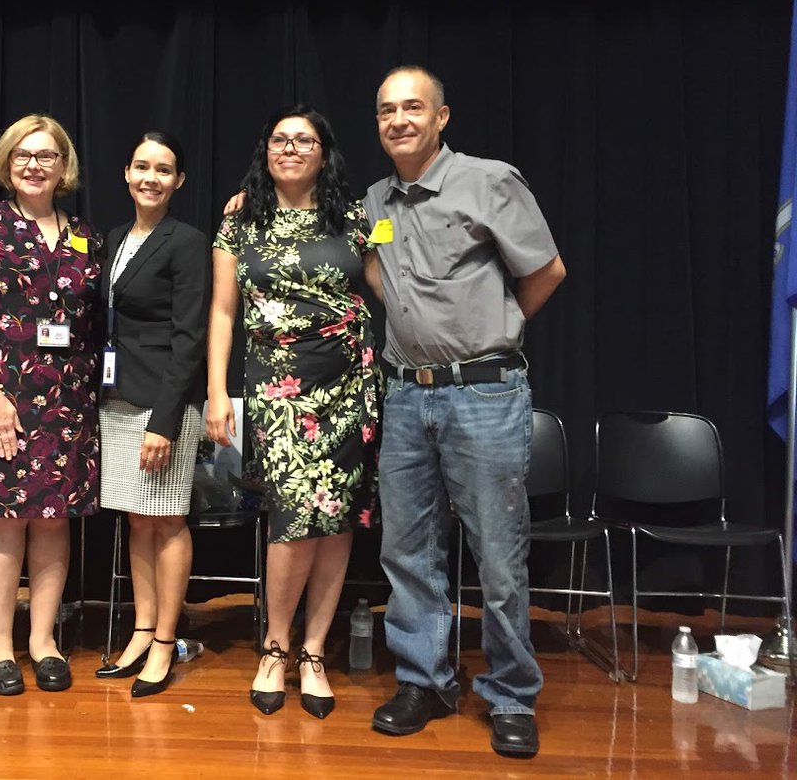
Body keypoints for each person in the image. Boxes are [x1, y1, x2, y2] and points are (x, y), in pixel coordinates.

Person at [365, 66, 565, 758]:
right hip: (404, 393)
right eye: (387, 109)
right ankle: (425, 679)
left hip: (483, 392)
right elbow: (376, 273)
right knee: (408, 549)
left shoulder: (489, 180)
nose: (399, 119)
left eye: (412, 107)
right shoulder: (374, 200)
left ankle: (511, 694)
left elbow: (545, 271)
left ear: (441, 116)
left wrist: (493, 334)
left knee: (498, 555)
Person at [207, 105, 379, 720]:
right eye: (279, 138)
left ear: (324, 154)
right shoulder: (240, 221)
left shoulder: (356, 219)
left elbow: (389, 288)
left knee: (338, 518)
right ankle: (275, 648)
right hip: (279, 387)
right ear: (266, 150)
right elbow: (223, 311)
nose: (291, 148)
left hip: (350, 386)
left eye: (304, 140)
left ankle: (313, 652)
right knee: (292, 517)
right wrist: (217, 390)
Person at [0, 114, 102, 697]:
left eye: (47, 155)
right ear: (7, 164)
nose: (35, 165)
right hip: (2, 396)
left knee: (54, 525)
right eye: (23, 155)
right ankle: (0, 644)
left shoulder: (86, 235)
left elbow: (92, 325)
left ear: (64, 166)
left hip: (68, 405)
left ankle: (43, 641)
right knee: (7, 523)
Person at [94, 132, 211, 697]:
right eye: (142, 166)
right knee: (135, 519)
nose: (151, 178)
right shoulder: (116, 238)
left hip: (164, 404)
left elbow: (190, 337)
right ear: (126, 172)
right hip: (117, 399)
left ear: (178, 181)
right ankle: (141, 630)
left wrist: (165, 421)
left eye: (164, 170)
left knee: (165, 519)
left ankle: (166, 641)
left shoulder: (186, 242)